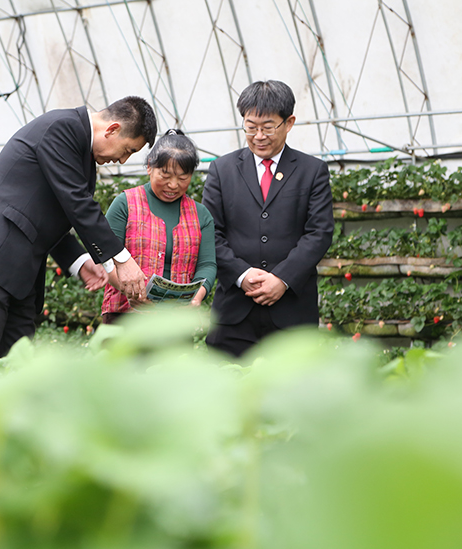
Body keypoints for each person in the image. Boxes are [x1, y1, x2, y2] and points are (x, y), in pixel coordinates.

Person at [0, 97, 157, 365]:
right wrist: (122, 260)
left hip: (20, 271)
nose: (122, 161)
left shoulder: (79, 151)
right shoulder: (62, 128)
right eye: (127, 150)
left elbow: (44, 211)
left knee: (15, 364)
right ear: (112, 129)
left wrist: (79, 261)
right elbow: (77, 204)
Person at [202, 80, 334, 357]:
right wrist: (242, 274)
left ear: (289, 123)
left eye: (268, 127)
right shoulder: (221, 170)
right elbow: (210, 231)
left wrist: (282, 279)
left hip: (292, 313)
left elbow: (319, 233)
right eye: (251, 127)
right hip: (234, 313)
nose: (259, 136)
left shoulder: (312, 171)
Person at [101, 130, 216, 324]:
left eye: (182, 178)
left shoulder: (201, 215)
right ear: (149, 167)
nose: (173, 185)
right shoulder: (125, 204)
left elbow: (207, 265)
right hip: (125, 317)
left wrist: (197, 296)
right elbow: (106, 258)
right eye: (165, 175)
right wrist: (135, 292)